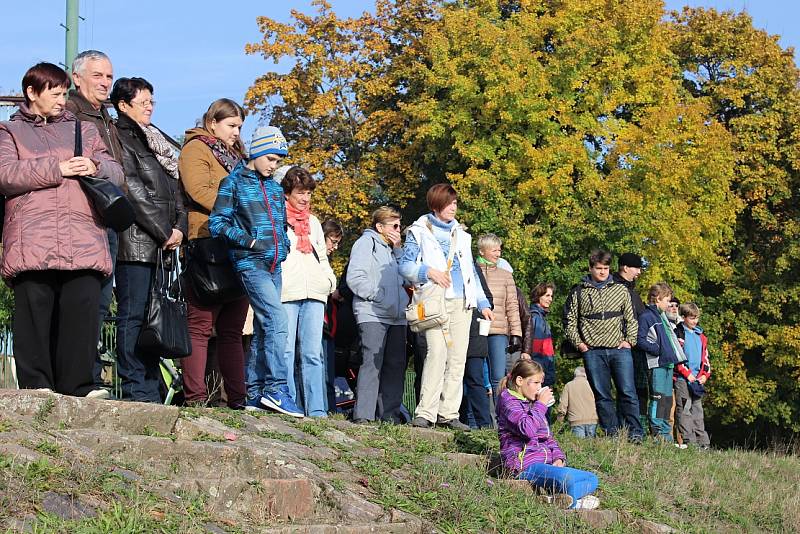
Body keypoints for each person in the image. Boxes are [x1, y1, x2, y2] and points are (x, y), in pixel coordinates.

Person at [0, 62, 123, 396]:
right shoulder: (8, 131)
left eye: (63, 94)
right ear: (31, 92)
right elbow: (6, 175)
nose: (61, 100)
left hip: (83, 236)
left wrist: (95, 165)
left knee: (81, 315)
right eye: (54, 94)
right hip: (32, 239)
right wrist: (58, 168)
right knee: (34, 316)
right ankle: (36, 388)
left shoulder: (85, 131)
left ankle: (78, 388)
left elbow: (117, 173)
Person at [209, 126, 302, 416]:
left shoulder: (274, 189)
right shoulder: (233, 183)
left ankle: (256, 392)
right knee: (277, 320)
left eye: (278, 161)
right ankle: (277, 388)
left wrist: (283, 246)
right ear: (258, 152)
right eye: (271, 159)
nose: (275, 166)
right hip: (250, 265)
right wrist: (248, 242)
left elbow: (280, 224)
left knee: (265, 327)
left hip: (275, 265)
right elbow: (217, 223)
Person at [111, 77, 187, 402]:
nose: (150, 107)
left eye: (152, 102)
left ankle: (150, 383)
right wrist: (164, 230)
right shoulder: (120, 137)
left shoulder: (160, 141)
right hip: (136, 242)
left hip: (163, 245)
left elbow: (177, 189)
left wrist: (180, 227)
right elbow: (132, 190)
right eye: (143, 102)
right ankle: (134, 385)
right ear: (123, 105)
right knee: (133, 315)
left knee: (153, 317)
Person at [399, 183, 494, 430]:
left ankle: (449, 413)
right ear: (436, 204)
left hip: (462, 303)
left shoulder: (462, 235)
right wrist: (428, 271)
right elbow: (405, 266)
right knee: (436, 354)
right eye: (449, 203)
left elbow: (470, 270)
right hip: (434, 302)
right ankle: (425, 412)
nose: (454, 207)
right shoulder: (418, 231)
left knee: (457, 358)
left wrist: (482, 302)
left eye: (455, 203)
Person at [179, 98, 249, 408]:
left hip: (240, 247)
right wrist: (240, 208)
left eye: (239, 127)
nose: (236, 132)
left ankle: (236, 397)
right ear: (213, 123)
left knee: (232, 329)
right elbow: (197, 190)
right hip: (208, 241)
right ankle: (195, 397)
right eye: (231, 125)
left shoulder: (239, 158)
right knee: (201, 325)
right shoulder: (196, 149)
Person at [65, 50, 124, 394]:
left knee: (101, 302)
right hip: (82, 218)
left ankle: (88, 374)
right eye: (98, 75)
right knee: (82, 300)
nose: (105, 83)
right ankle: (77, 376)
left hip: (107, 218)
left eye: (109, 77)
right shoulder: (71, 114)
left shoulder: (106, 117)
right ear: (77, 77)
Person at [497, 360, 600, 509]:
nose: (540, 388)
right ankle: (573, 503)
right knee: (568, 479)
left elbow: (548, 437)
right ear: (520, 381)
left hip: (545, 464)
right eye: (536, 383)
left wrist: (558, 458)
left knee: (592, 479)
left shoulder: (533, 404)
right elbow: (527, 430)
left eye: (541, 383)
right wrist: (541, 405)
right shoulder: (509, 402)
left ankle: (555, 499)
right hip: (525, 465)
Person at [564, 250, 643, 442]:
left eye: (606, 268)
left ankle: (635, 432)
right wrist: (580, 345)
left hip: (619, 350)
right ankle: (612, 433)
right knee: (602, 396)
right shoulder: (579, 292)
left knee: (628, 392)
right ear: (591, 268)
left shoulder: (621, 290)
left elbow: (631, 318)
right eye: (598, 268)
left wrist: (629, 341)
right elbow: (569, 321)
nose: (602, 272)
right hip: (593, 352)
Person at [280, 166, 337, 417]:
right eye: (300, 192)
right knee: (286, 350)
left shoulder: (314, 222)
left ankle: (316, 409)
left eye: (308, 193)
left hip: (315, 292)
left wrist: (329, 281)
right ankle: (289, 403)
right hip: (287, 291)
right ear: (287, 193)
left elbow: (322, 257)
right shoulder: (277, 216)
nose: (305, 198)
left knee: (313, 353)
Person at [347, 206, 408, 423]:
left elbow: (408, 276)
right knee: (372, 363)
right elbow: (355, 277)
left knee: (396, 364)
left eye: (399, 225)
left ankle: (389, 416)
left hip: (398, 316)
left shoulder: (395, 250)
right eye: (394, 225)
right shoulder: (366, 243)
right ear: (379, 226)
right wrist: (378, 296)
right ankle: (363, 416)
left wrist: (399, 248)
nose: (398, 229)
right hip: (372, 313)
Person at [637, 283, 686, 441]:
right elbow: (639, 339)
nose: (669, 304)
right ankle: (657, 433)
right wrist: (656, 349)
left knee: (666, 399)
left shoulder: (662, 317)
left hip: (667, 363)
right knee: (658, 398)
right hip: (656, 364)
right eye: (667, 301)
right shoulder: (646, 316)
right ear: (657, 299)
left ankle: (666, 434)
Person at [475, 234, 522, 398]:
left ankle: (499, 419)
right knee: (475, 376)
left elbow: (512, 305)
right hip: (475, 330)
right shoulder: (471, 272)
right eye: (494, 250)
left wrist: (516, 333)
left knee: (498, 377)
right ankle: (476, 420)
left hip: (498, 331)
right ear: (482, 251)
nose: (498, 254)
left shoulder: (506, 276)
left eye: (499, 250)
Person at [612, 253, 649, 430]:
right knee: (626, 390)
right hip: (623, 346)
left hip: (635, 346)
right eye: (637, 268)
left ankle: (633, 427)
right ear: (626, 268)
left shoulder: (631, 290)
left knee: (635, 390)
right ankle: (625, 428)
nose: (639, 272)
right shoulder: (616, 288)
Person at [459, 266, 494, 429]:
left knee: (475, 379)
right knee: (454, 378)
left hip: (473, 332)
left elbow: (488, 300)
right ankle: (457, 419)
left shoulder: (471, 268)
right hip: (453, 329)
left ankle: (484, 424)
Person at [674, 303, 712, 449]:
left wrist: (704, 375)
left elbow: (706, 359)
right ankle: (689, 441)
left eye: (696, 318)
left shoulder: (701, 336)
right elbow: (678, 357)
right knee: (685, 409)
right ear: (684, 317)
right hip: (683, 379)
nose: (695, 321)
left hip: (697, 379)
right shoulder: (679, 333)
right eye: (691, 318)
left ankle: (703, 442)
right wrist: (687, 374)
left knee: (698, 410)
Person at [322, 219, 344, 412]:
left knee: (328, 370)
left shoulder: (326, 261)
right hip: (321, 323)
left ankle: (330, 407)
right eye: (333, 241)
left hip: (329, 325)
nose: (335, 247)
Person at [523, 282, 556, 389]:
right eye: (547, 295)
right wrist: (544, 374)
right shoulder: (535, 318)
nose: (550, 299)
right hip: (539, 373)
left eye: (551, 296)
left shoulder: (541, 317)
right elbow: (537, 350)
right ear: (538, 296)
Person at [557, 367, 599, 438]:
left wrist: (559, 420)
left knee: (579, 447)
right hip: (592, 420)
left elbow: (563, 404)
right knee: (592, 447)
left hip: (576, 421)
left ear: (575, 374)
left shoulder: (569, 385)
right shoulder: (592, 385)